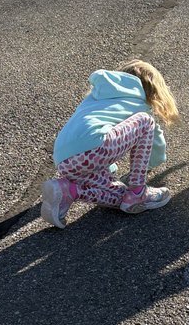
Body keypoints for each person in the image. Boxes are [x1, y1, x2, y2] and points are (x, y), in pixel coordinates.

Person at [40, 61, 178, 228]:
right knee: (146, 121)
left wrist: (107, 166)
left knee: (122, 196)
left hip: (65, 161)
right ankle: (138, 191)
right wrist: (153, 162)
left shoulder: (98, 96)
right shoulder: (138, 101)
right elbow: (155, 145)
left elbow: (90, 131)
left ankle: (69, 191)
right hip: (92, 151)